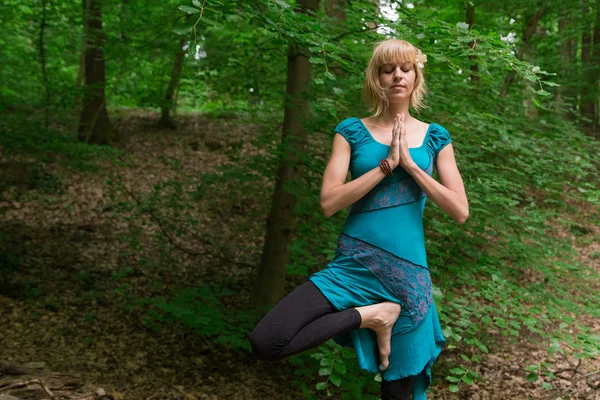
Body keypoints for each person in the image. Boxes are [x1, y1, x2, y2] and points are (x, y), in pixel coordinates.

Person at [249, 39, 469, 400]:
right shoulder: (351, 131)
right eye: (387, 69)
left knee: (399, 392)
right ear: (376, 78)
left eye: (405, 68)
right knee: (268, 340)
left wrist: (411, 167)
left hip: (407, 277)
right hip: (353, 266)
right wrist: (386, 167)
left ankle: (384, 313)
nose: (397, 76)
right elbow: (329, 202)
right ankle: (372, 314)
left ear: (416, 76)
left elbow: (459, 211)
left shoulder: (435, 137)